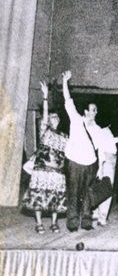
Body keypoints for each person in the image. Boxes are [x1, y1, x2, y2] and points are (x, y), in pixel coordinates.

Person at [22, 81, 68, 233]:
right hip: (42, 170)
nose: (55, 118)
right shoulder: (45, 131)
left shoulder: (64, 136)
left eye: (57, 117)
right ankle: (39, 223)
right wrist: (45, 96)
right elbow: (45, 114)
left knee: (56, 197)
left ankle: (54, 223)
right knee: (39, 196)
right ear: (48, 120)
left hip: (57, 172)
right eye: (52, 117)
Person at [61, 70, 99, 232]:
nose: (95, 112)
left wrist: (99, 167)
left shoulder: (96, 128)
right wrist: (65, 81)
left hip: (90, 164)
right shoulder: (76, 119)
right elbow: (68, 100)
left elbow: (100, 148)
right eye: (93, 110)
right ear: (86, 111)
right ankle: (72, 222)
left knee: (87, 193)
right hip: (75, 163)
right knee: (74, 192)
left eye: (96, 110)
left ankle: (86, 221)